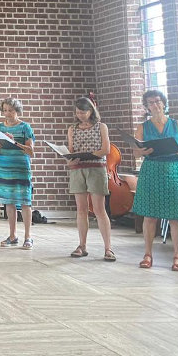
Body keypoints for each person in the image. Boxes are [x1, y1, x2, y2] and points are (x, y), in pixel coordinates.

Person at [131, 89, 178, 272]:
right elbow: (135, 152)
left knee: (175, 215)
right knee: (150, 215)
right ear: (147, 107)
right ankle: (148, 254)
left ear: (164, 103)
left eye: (158, 101)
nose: (155, 105)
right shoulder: (143, 127)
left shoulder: (176, 124)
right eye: (151, 102)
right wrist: (142, 151)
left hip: (173, 169)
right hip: (151, 170)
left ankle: (177, 256)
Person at [66, 96, 115, 261]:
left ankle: (108, 248)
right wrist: (70, 159)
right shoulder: (72, 128)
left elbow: (106, 149)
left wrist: (89, 155)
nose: (80, 115)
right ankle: (82, 245)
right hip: (78, 169)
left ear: (91, 111)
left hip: (96, 168)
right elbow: (71, 150)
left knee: (99, 209)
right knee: (81, 209)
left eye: (83, 112)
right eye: (78, 112)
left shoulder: (101, 127)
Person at [0, 97, 35, 249]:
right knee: (9, 202)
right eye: (5, 110)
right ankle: (13, 235)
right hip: (4, 168)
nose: (7, 113)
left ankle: (28, 237)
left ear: (17, 111)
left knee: (25, 202)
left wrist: (14, 142)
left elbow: (31, 151)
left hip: (21, 168)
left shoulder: (25, 127)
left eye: (11, 110)